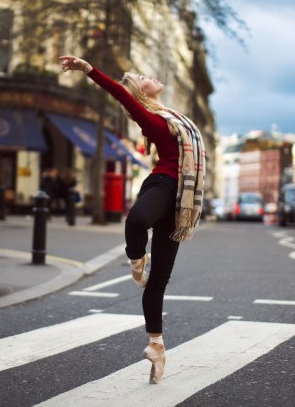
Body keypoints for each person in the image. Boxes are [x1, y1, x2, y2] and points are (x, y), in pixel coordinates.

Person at [60, 55, 206, 384]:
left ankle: (156, 345)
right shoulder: (149, 116)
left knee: (159, 282)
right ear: (139, 93)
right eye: (141, 76)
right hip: (163, 185)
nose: (148, 74)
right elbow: (121, 94)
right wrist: (89, 70)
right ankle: (136, 256)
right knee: (137, 220)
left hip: (179, 201)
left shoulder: (172, 117)